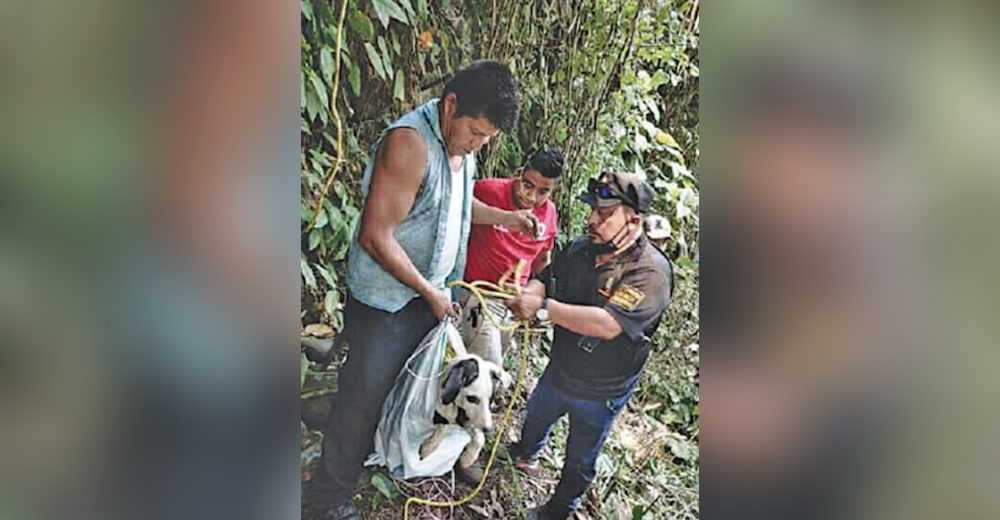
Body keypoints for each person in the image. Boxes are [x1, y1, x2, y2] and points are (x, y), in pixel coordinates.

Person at [308, 60, 520, 520]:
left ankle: (367, 458)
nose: (479, 143)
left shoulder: (463, 148)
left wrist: (505, 219)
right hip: (388, 301)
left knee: (400, 389)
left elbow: (456, 210)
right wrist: (430, 291)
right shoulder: (410, 144)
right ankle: (325, 499)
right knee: (361, 397)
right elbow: (376, 235)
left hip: (429, 297)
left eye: (487, 137)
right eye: (476, 132)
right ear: (450, 106)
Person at [505, 172, 674, 520]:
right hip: (561, 367)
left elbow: (608, 324)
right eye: (593, 210)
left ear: (633, 220)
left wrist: (543, 308)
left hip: (602, 389)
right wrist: (535, 291)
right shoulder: (583, 248)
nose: (592, 219)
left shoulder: (650, 273)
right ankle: (526, 452)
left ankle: (558, 510)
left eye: (604, 214)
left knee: (580, 458)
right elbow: (547, 276)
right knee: (537, 412)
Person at [449, 146, 564, 484]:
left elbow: (542, 261)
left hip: (511, 304)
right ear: (520, 171)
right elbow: (456, 208)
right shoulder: (488, 190)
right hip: (477, 295)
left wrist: (536, 294)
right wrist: (506, 218)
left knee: (482, 371)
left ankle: (451, 431)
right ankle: (465, 453)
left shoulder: (549, 213)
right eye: (528, 185)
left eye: (543, 190)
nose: (532, 196)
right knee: (485, 376)